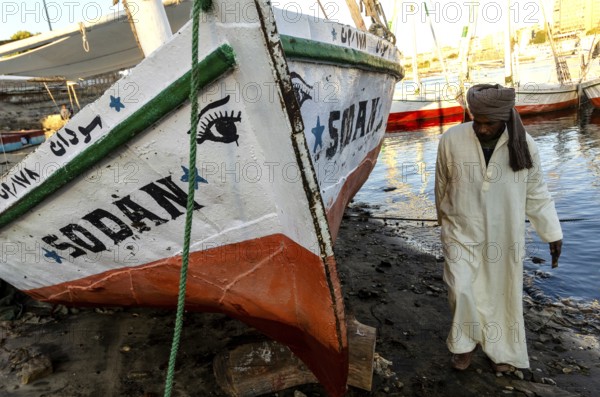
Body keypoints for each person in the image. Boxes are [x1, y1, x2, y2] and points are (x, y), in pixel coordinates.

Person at [434, 84, 563, 373]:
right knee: (460, 288)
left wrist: (552, 233)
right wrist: (441, 220)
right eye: (476, 121)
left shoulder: (525, 146)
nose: (480, 129)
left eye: (488, 123)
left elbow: (537, 194)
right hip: (459, 229)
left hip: (504, 235)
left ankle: (501, 349)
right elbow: (441, 183)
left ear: (504, 119)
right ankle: (464, 344)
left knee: (500, 293)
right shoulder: (451, 140)